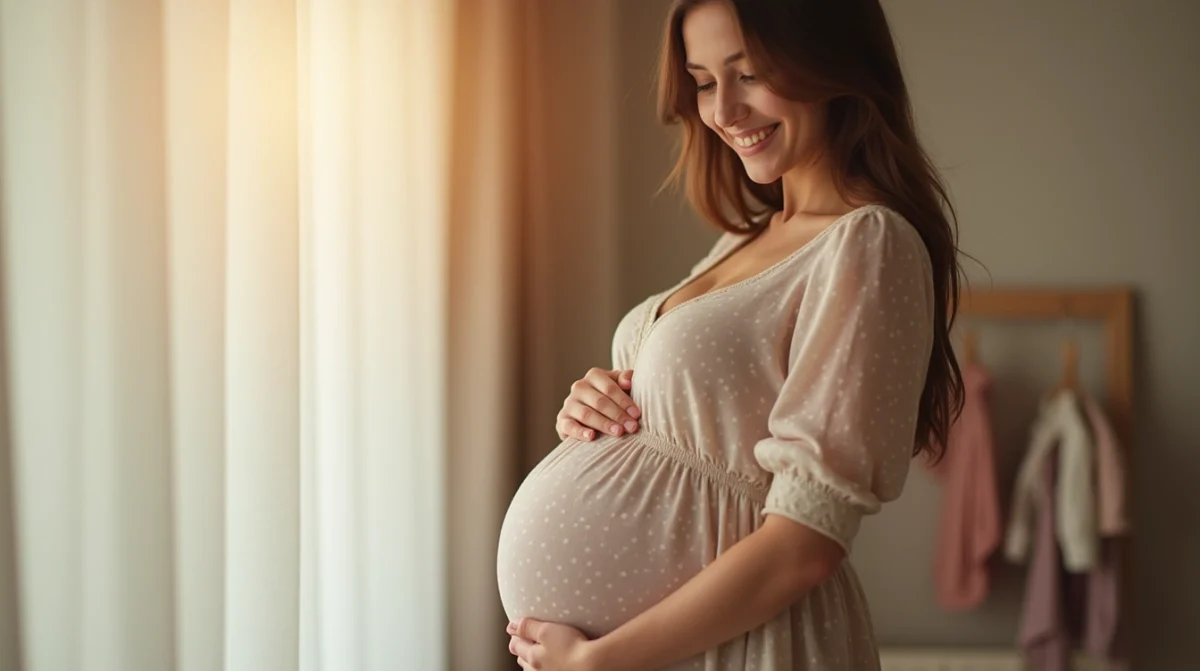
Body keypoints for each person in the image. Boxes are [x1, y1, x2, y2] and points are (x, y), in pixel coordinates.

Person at [498, 0, 964, 669]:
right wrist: (597, 402)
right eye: (706, 82)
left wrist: (599, 660)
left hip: (746, 646)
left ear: (831, 61)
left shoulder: (870, 243)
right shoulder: (744, 240)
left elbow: (807, 544)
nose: (724, 111)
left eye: (749, 74)